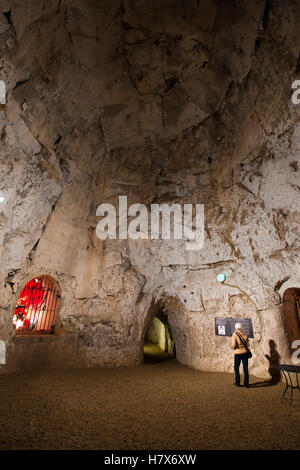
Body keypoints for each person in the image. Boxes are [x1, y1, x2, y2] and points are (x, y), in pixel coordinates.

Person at [232, 322, 250, 388]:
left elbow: (234, 344)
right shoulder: (245, 334)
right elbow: (248, 344)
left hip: (238, 353)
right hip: (245, 353)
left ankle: (238, 382)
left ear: (236, 327)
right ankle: (246, 383)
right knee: (245, 368)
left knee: (236, 368)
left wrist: (233, 347)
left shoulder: (235, 334)